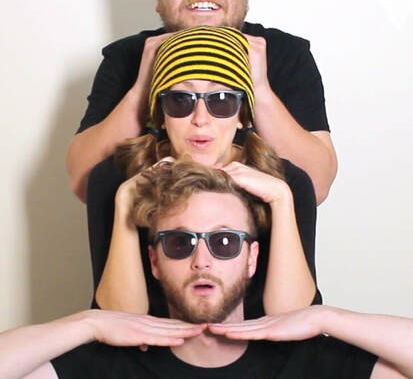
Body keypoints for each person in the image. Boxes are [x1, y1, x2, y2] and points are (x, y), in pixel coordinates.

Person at [2, 161, 412, 379]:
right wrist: (90, 323)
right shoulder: (109, 366)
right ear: (154, 261)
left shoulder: (308, 363)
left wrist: (325, 317)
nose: (202, 260)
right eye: (180, 242)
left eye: (224, 242)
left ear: (251, 259)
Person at [66, 0, 337, 205]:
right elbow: (82, 182)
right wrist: (143, 88)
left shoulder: (286, 54)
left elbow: (316, 185)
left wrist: (259, 90)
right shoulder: (126, 57)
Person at [90, 25, 318, 319]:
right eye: (180, 101)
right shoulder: (116, 178)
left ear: (242, 115)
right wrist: (125, 201)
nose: (200, 119)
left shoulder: (285, 181)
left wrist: (282, 200)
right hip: (150, 347)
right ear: (161, 114)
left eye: (221, 101)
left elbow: (293, 320)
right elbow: (119, 321)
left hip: (258, 345)